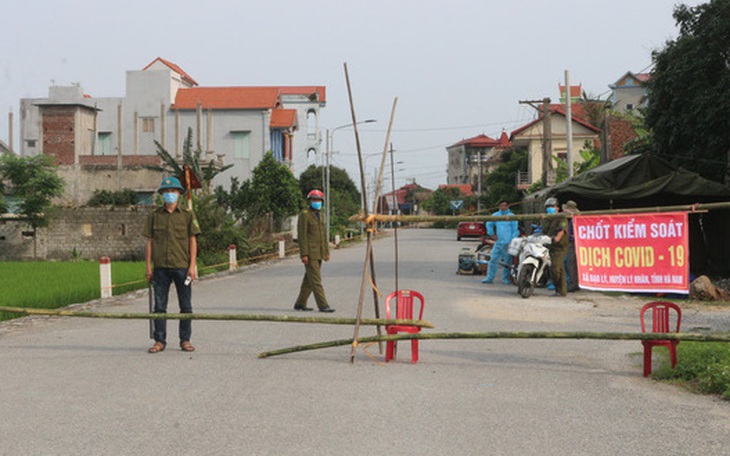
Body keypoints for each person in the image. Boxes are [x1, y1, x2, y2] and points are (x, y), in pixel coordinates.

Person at [145, 176, 201, 353]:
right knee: (159, 306)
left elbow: (193, 241)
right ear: (162, 195)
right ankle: (159, 341)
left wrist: (192, 265)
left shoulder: (187, 215)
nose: (170, 194)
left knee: (186, 306)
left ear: (179, 194)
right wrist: (148, 267)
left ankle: (185, 340)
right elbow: (149, 242)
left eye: (173, 191)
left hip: (182, 266)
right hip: (161, 267)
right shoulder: (155, 216)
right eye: (166, 192)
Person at [294, 189, 335, 313]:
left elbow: (323, 235)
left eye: (318, 200)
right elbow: (302, 236)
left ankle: (300, 303)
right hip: (310, 253)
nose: (316, 202)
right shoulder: (305, 214)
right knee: (316, 280)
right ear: (309, 201)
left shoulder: (321, 215)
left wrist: (326, 252)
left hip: (319, 253)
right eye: (314, 200)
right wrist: (304, 254)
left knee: (309, 280)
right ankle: (323, 305)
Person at [482, 200, 519, 284]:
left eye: (505, 205)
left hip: (508, 242)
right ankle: (489, 277)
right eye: (501, 205)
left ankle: (505, 278)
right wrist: (492, 234)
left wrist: (512, 240)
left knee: (507, 261)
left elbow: (515, 230)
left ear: (508, 206)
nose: (503, 207)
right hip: (498, 242)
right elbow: (489, 224)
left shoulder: (512, 216)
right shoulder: (496, 215)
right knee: (493, 259)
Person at [542, 197, 569, 297]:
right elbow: (544, 231)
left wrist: (557, 238)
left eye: (552, 206)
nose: (550, 208)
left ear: (557, 208)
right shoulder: (548, 219)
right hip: (550, 246)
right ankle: (561, 291)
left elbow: (562, 229)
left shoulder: (561, 217)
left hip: (559, 246)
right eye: (548, 207)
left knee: (556, 268)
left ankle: (559, 289)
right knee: (559, 268)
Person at [562, 200, 580, 292]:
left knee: (571, 263)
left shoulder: (575, 220)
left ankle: (573, 284)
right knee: (571, 264)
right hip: (571, 242)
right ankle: (574, 283)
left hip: (573, 243)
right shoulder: (568, 220)